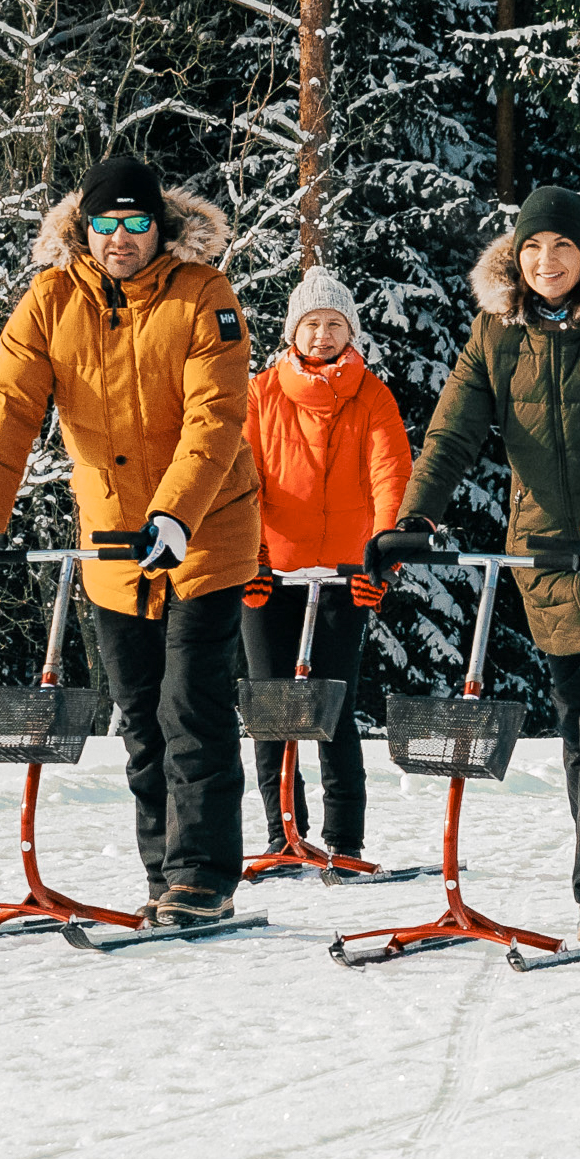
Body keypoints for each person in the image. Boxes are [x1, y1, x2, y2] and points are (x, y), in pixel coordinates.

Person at [371, 185, 580, 944]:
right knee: (576, 721)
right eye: (532, 248)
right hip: (549, 553)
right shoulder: (495, 334)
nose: (547, 261)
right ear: (515, 260)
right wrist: (415, 517)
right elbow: (453, 432)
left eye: (561, 247)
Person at [0, 151, 264, 923]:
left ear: (161, 227)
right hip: (114, 544)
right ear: (82, 230)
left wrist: (176, 514)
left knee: (192, 710)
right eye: (104, 224)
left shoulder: (204, 295)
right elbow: (10, 406)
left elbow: (214, 417)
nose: (119, 238)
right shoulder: (51, 298)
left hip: (205, 534)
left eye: (136, 223)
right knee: (142, 715)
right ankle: (163, 875)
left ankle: (203, 879)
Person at [246, 267, 414, 862]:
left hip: (346, 577)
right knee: (273, 710)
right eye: (312, 324)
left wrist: (381, 561)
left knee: (334, 707)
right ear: (294, 330)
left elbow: (390, 477)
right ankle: (283, 834)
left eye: (334, 324)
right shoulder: (261, 393)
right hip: (270, 577)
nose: (322, 335)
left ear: (351, 332)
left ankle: (345, 840)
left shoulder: (372, 396)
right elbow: (241, 482)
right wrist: (250, 560)